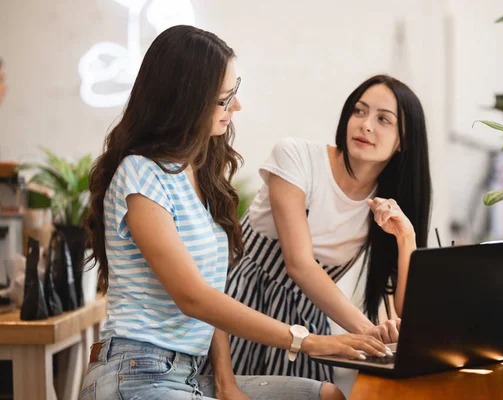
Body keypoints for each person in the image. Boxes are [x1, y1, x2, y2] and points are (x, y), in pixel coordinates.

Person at [79, 25, 388, 400]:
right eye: (225, 98)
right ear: (186, 102)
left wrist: (226, 381)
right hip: (137, 372)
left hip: (194, 373)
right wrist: (305, 342)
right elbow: (192, 297)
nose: (235, 107)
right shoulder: (141, 175)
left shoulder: (198, 175)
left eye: (234, 93)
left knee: (327, 395)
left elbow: (212, 293)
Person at [215, 74, 432, 382]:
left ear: (404, 142)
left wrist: (406, 237)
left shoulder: (387, 202)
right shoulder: (296, 157)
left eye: (384, 119)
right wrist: (367, 332)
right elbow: (299, 265)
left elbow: (407, 313)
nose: (366, 124)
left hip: (308, 322)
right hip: (243, 305)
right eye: (359, 111)